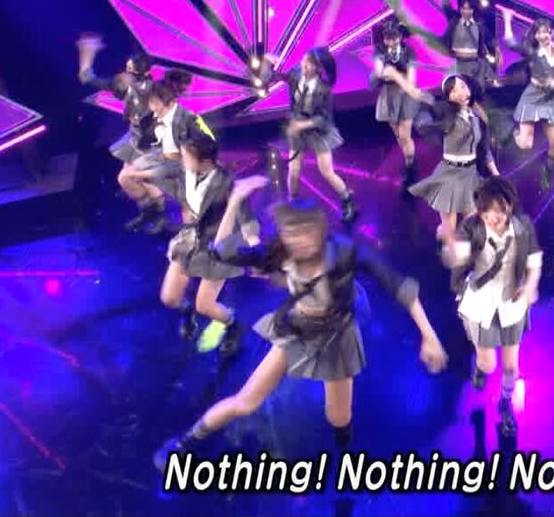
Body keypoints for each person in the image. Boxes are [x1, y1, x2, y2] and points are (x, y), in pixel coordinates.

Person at [153, 177, 448, 469]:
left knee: (339, 416)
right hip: (299, 327)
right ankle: (186, 441)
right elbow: (223, 252)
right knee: (246, 401)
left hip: (337, 334)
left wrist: (429, 336)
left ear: (321, 230)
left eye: (307, 231)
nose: (300, 240)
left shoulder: (344, 252)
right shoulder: (280, 253)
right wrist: (234, 203)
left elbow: (398, 287)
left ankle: (345, 449)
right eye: (292, 233)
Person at [441, 177, 542, 436]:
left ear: (510, 206)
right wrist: (451, 249)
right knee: (488, 365)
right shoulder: (472, 227)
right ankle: (480, 368)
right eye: (486, 211)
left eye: (499, 210)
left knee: (511, 368)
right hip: (482, 303)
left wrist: (530, 285)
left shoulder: (522, 226)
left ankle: (505, 404)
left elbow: (534, 259)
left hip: (512, 304)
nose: (492, 217)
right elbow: (458, 255)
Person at [385, 69, 501, 240]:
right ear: (448, 97)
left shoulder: (476, 118)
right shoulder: (445, 113)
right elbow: (421, 99)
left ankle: (465, 248)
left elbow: (484, 148)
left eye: (462, 87)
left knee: (472, 225)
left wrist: (495, 172)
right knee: (449, 229)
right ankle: (446, 240)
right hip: (450, 176)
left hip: (469, 176)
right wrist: (399, 79)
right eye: (454, 90)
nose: (460, 92)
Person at [159, 137, 244, 355]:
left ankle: (232, 325)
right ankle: (186, 312)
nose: (182, 160)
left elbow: (237, 220)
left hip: (217, 244)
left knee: (205, 306)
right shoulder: (187, 176)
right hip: (190, 240)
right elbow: (186, 209)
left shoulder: (225, 183)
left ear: (203, 161)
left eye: (186, 157)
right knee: (169, 298)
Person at [76, 34, 159, 230]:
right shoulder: (124, 86)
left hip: (155, 139)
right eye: (126, 71)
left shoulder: (154, 89)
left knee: (136, 177)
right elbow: (87, 77)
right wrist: (87, 53)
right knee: (126, 177)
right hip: (137, 137)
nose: (126, 75)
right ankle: (150, 211)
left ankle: (158, 213)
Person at [124, 70, 213, 233]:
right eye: (185, 86)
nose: (186, 90)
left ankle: (184, 226)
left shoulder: (176, 108)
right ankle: (157, 215)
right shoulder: (160, 97)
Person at [282, 48, 356, 223]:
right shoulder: (295, 75)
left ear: (318, 68)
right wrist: (266, 64)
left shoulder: (324, 90)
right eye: (303, 61)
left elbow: (323, 119)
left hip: (318, 131)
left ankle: (347, 199)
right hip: (298, 128)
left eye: (308, 64)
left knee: (326, 172)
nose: (303, 65)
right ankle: (293, 201)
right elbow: (272, 77)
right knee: (293, 170)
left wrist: (303, 125)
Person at [503, 12, 554, 190]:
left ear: (551, 33)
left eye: (545, 32)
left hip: (550, 100)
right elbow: (510, 42)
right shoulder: (532, 51)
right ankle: (513, 132)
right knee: (526, 144)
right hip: (533, 96)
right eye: (538, 32)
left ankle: (547, 171)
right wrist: (507, 19)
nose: (542, 36)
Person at [370, 18, 422, 189]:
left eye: (394, 37)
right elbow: (379, 72)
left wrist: (395, 75)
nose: (390, 41)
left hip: (405, 95)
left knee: (405, 135)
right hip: (388, 96)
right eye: (387, 37)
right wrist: (389, 74)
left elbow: (411, 78)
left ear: (400, 36)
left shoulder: (408, 51)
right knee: (399, 136)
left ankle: (410, 166)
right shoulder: (379, 50)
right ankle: (409, 161)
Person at [436, 0, 499, 89]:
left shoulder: (479, 23)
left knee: (476, 90)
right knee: (458, 89)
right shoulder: (454, 20)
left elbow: (489, 39)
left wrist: (498, 50)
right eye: (463, 8)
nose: (466, 11)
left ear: (473, 9)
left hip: (475, 64)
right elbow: (446, 7)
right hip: (458, 63)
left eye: (469, 9)